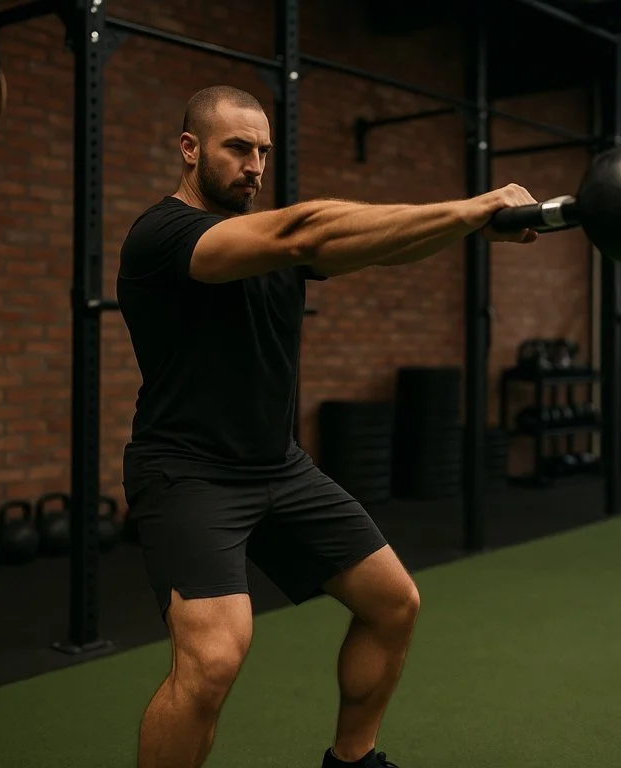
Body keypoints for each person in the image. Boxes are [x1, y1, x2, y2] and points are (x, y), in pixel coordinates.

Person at [117, 84, 540, 768]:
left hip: (278, 467)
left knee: (393, 604)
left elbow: (370, 246)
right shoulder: (163, 237)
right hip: (187, 473)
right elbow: (306, 230)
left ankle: (352, 761)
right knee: (214, 658)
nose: (253, 165)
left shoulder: (280, 251)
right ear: (189, 150)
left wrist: (465, 227)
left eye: (262, 152)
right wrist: (477, 206)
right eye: (236, 148)